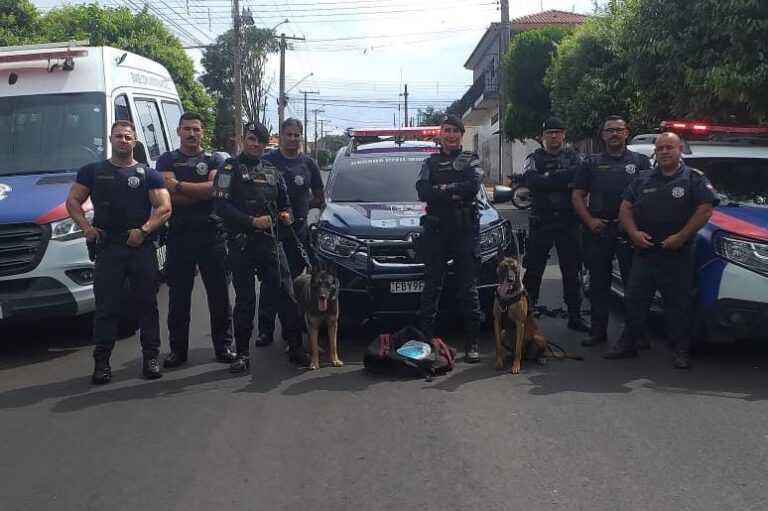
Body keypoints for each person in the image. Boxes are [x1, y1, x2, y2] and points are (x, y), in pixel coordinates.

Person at [65, 120, 172, 384]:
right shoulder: (93, 171)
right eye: (118, 136)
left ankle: (151, 358)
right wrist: (86, 228)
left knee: (147, 305)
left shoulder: (149, 174)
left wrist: (144, 231)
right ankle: (101, 364)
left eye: (128, 137)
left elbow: (164, 208)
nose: (123, 140)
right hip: (109, 248)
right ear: (110, 140)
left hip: (140, 246)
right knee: (106, 308)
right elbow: (73, 201)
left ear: (135, 141)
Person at [604, 132, 716, 369]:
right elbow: (625, 208)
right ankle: (628, 343)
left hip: (677, 253)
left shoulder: (693, 179)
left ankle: (680, 349)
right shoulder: (643, 179)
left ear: (680, 149)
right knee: (634, 299)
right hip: (645, 252)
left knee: (678, 304)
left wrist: (681, 236)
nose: (664, 152)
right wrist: (634, 233)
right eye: (660, 148)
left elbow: (705, 209)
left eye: (669, 147)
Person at [214, 121, 309, 372]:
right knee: (245, 301)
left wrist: (286, 214)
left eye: (260, 141)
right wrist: (251, 221)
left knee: (286, 295)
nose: (256, 144)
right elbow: (221, 207)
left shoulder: (272, 170)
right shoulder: (228, 168)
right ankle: (242, 354)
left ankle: (296, 346)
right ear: (243, 139)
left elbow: (285, 203)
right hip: (241, 244)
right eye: (251, 139)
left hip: (270, 242)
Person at [156, 112, 235, 368]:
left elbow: (215, 190)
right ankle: (178, 351)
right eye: (187, 129)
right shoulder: (167, 159)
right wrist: (198, 193)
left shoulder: (216, 159)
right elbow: (165, 196)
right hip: (179, 237)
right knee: (178, 298)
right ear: (178, 131)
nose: (192, 134)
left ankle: (223, 346)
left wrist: (178, 185)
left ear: (203, 133)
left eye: (196, 129)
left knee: (219, 295)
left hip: (212, 236)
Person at [572, 115, 651, 347]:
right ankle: (598, 332)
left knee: (634, 286)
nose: (614, 134)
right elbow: (577, 195)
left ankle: (638, 333)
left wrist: (637, 229)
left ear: (627, 132)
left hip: (629, 233)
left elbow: (650, 196)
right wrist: (589, 221)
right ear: (603, 135)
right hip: (599, 230)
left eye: (619, 130)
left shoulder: (641, 162)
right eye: (610, 130)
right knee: (598, 285)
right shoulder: (591, 162)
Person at [416, 114, 483, 363]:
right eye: (447, 130)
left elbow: (472, 187)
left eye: (455, 130)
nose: (451, 134)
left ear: (461, 134)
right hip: (437, 232)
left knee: (468, 288)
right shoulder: (430, 162)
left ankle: (472, 342)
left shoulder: (471, 160)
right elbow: (422, 192)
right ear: (440, 134)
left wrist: (442, 190)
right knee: (432, 287)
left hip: (465, 232)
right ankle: (426, 341)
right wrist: (453, 190)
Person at [256, 118, 325, 347]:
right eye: (289, 135)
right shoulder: (267, 161)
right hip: (272, 232)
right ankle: (265, 329)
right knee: (271, 281)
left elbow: (319, 196)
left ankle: (292, 329)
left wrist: (304, 212)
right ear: (281, 136)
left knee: (293, 283)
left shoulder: (309, 164)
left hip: (299, 232)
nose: (293, 139)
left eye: (297, 135)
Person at [521, 117, 589, 331]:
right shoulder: (534, 158)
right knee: (533, 271)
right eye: (550, 132)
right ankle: (526, 317)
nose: (554, 136)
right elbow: (533, 181)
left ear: (564, 134)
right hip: (542, 221)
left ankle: (575, 316)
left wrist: (549, 178)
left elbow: (579, 177)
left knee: (572, 271)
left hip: (569, 222)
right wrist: (563, 180)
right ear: (543, 136)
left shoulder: (574, 157)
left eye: (558, 132)